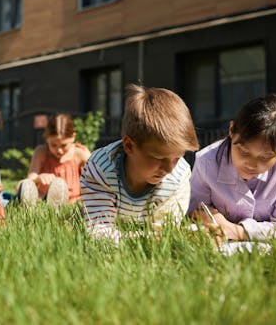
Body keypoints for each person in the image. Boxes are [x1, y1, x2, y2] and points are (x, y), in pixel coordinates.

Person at [188, 94, 276, 241]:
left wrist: (236, 231)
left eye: (265, 157)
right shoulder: (207, 161)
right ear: (231, 130)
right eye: (244, 152)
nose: (251, 164)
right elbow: (196, 209)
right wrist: (215, 219)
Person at [80, 84, 200, 243]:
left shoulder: (178, 177)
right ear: (129, 146)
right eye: (158, 158)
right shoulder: (101, 169)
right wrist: (146, 238)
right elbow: (98, 233)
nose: (169, 168)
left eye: (177, 158)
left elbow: (163, 236)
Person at [18, 114, 91, 206]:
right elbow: (30, 180)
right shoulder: (41, 152)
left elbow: (97, 178)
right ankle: (31, 204)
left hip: (73, 200)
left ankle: (61, 202)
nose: (59, 150)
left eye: (64, 145)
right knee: (22, 184)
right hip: (44, 199)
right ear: (46, 138)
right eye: (53, 145)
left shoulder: (80, 153)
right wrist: (39, 178)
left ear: (73, 137)